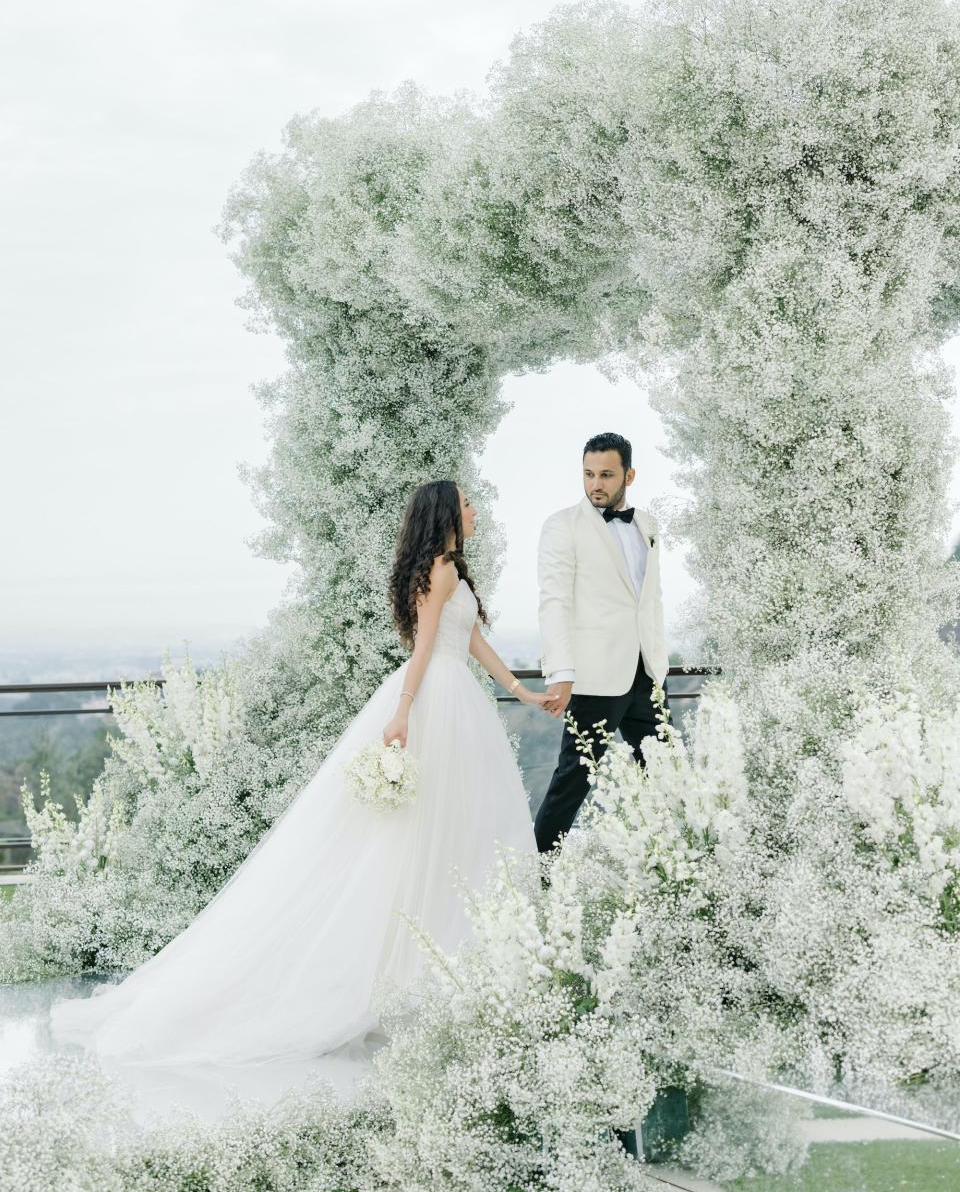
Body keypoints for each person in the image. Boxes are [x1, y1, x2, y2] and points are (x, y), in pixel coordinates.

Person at [49, 481, 544, 1076]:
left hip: (457, 700)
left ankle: (435, 967)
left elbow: (472, 642)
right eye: (466, 502)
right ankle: (414, 974)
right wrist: (404, 710)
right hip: (436, 700)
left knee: (447, 833)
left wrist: (520, 692)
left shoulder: (449, 568)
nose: (474, 509)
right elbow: (422, 650)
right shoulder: (439, 571)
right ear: (446, 513)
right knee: (424, 835)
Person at [535, 432, 669, 854]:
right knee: (573, 781)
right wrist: (562, 673)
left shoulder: (647, 525)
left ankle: (672, 860)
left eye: (607, 475)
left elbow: (651, 601)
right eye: (589, 474)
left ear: (629, 474)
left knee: (667, 772)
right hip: (592, 678)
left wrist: (659, 665)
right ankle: (539, 870)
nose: (596, 483)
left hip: (645, 674)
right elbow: (553, 601)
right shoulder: (562, 526)